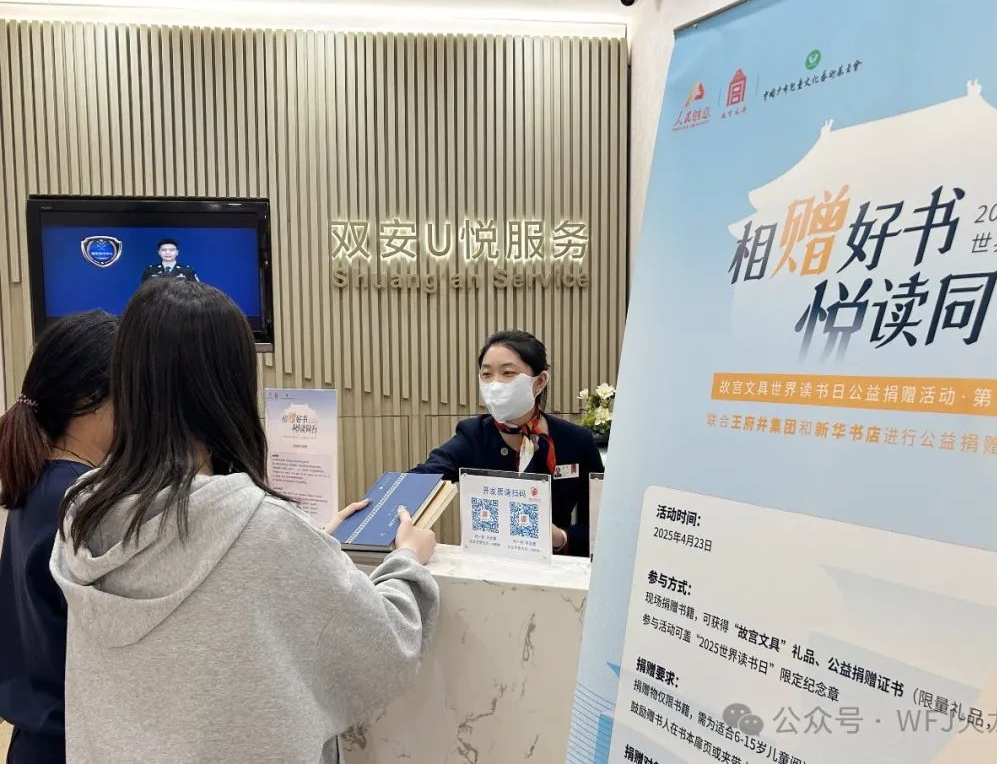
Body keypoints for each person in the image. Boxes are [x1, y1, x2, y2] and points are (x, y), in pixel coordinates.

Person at [50, 278, 438, 764]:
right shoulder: (265, 528)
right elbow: (383, 649)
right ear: (229, 384)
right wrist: (408, 561)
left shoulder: (83, 514)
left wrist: (304, 547)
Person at [0, 310, 118, 764]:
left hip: (36, 740)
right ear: (90, 398)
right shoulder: (84, 502)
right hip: (73, 743)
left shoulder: (39, 482)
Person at [412, 329, 603, 557]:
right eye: (487, 374)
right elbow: (424, 477)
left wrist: (561, 538)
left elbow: (604, 524)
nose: (495, 384)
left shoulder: (575, 440)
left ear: (539, 382)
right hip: (488, 565)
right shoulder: (473, 436)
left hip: (556, 568)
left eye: (508, 373)